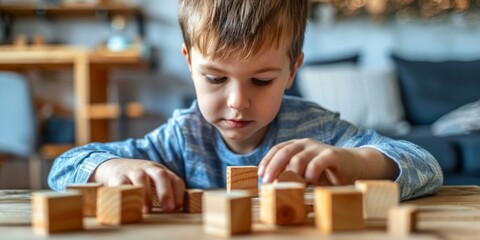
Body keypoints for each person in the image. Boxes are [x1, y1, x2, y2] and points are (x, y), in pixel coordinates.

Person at [48, 0, 443, 213]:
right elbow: (63, 168)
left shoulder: (318, 131)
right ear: (190, 64)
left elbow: (426, 166)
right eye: (216, 79)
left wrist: (357, 163)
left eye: (261, 80)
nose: (237, 102)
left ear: (292, 72)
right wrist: (112, 167)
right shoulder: (181, 138)